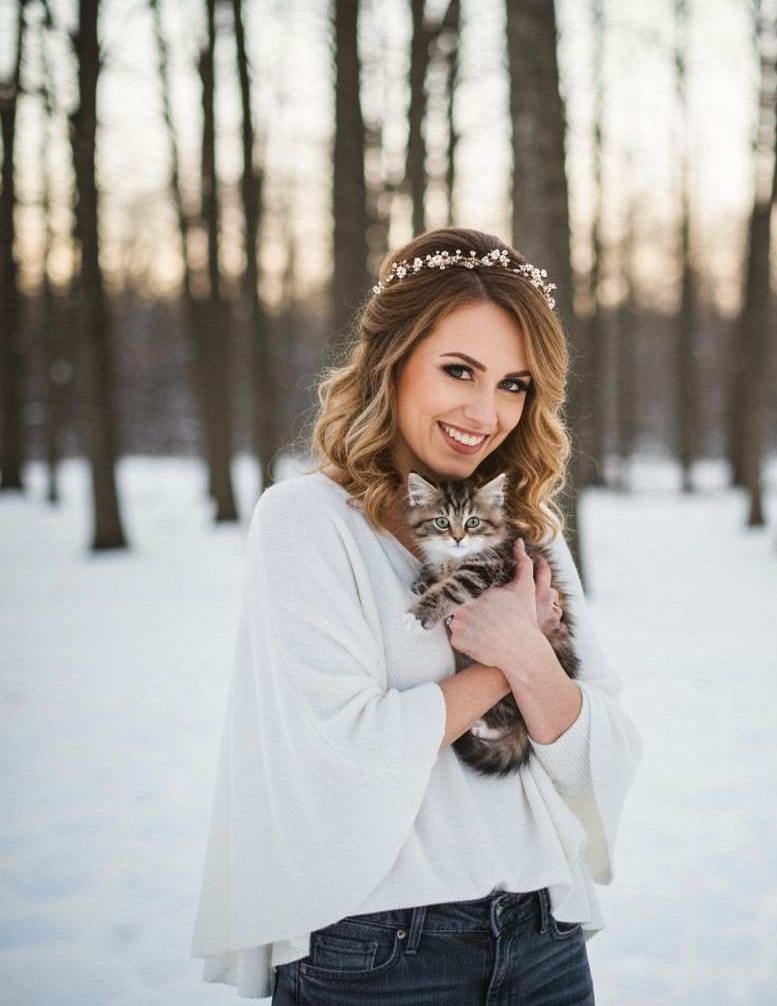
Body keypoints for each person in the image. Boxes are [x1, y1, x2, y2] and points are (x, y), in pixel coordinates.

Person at [190, 227, 644, 1003]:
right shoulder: (308, 522)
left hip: (543, 942)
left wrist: (532, 660)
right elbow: (346, 754)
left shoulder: (528, 529)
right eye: (459, 371)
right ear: (392, 361)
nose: (485, 411)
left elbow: (603, 751)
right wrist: (508, 660)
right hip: (382, 954)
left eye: (514, 384)